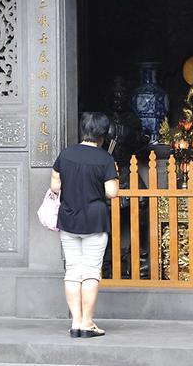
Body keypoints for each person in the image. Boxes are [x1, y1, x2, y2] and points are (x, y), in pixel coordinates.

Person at [50, 112, 119, 338]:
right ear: (103, 134)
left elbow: (55, 186)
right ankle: (88, 323)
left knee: (72, 271)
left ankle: (76, 322)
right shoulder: (105, 159)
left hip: (69, 218)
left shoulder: (66, 154)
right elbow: (111, 192)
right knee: (90, 272)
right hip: (94, 220)